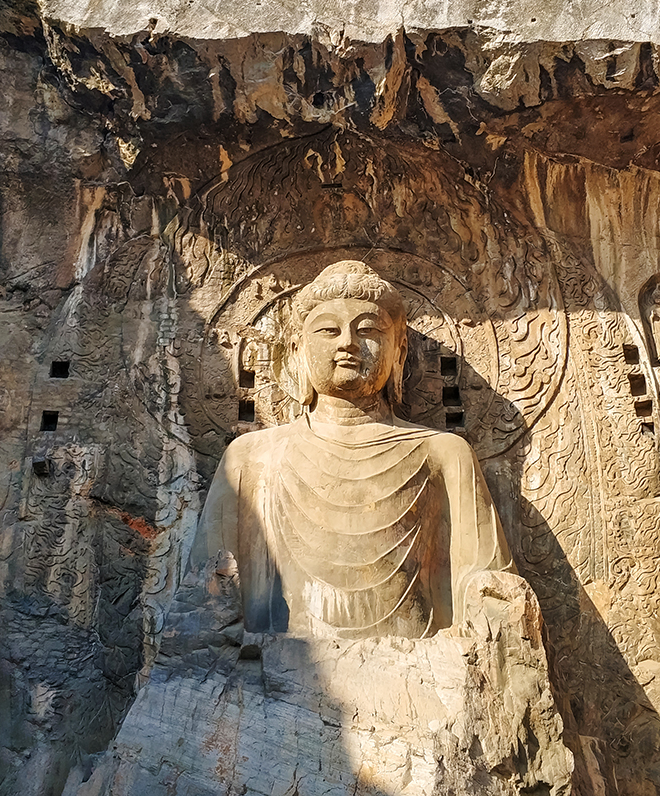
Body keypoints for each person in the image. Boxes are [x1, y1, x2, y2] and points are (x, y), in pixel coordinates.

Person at [191, 260, 512, 639]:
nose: (348, 343)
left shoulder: (443, 453)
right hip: (278, 674)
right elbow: (203, 601)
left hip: (421, 675)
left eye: (369, 330)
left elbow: (487, 588)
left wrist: (494, 604)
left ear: (399, 352)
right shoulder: (251, 456)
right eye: (328, 330)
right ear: (298, 350)